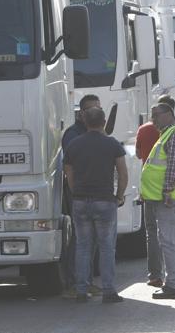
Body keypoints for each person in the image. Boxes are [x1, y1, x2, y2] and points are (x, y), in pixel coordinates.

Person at [64, 107, 128, 303]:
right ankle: (109, 291)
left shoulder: (74, 144)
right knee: (107, 247)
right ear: (104, 121)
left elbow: (69, 174)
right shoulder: (112, 144)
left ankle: (81, 290)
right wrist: (119, 196)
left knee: (83, 246)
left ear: (84, 120)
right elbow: (123, 174)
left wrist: (77, 193)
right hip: (104, 201)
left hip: (81, 201)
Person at [140, 103, 175, 299]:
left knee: (169, 241)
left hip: (171, 198)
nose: (153, 119)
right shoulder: (169, 133)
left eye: (156, 115)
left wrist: (167, 191)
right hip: (173, 197)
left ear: (169, 114)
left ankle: (173, 285)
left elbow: (174, 164)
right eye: (151, 115)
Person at [62, 94, 102, 298]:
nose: (96, 112)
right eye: (91, 110)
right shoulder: (73, 134)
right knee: (80, 239)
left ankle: (85, 281)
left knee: (91, 238)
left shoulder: (92, 131)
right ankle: (75, 283)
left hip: (93, 192)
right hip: (79, 193)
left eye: (98, 109)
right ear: (81, 113)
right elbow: (71, 165)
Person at [136, 95, 175, 288]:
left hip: (150, 190)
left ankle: (155, 275)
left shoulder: (143, 130)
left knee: (152, 233)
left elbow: (137, 154)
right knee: (174, 233)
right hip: (170, 190)